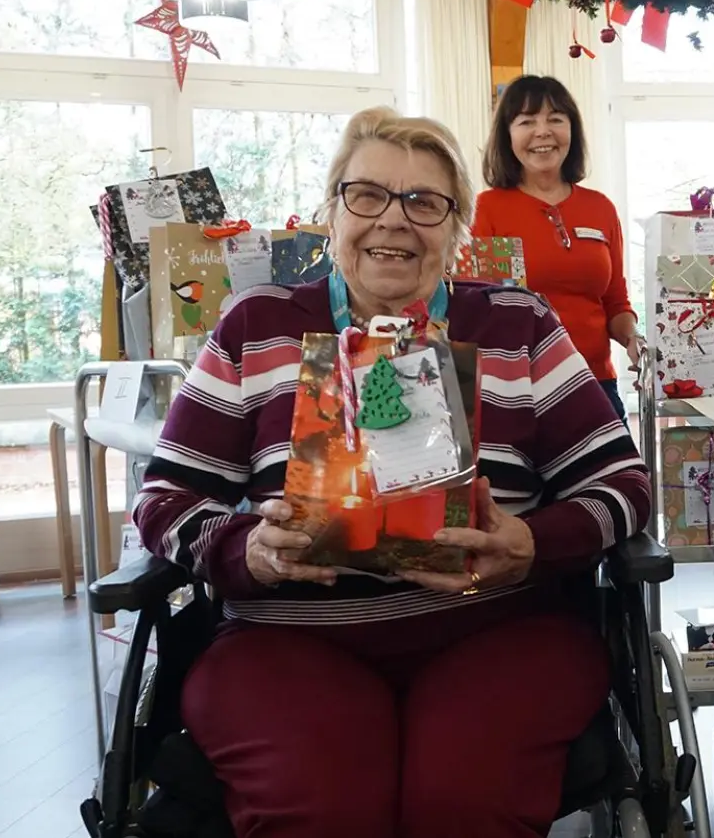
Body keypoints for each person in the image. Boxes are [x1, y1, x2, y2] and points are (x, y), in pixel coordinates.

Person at [132, 107, 652, 838]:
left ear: (458, 226)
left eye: (424, 202)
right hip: (289, 642)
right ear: (332, 210)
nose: (393, 222)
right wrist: (242, 548)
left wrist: (534, 543)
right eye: (367, 194)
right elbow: (165, 499)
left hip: (499, 631)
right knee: (324, 810)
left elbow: (622, 486)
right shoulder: (257, 326)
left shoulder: (517, 323)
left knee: (461, 806)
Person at [474, 76, 641, 419]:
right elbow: (482, 308)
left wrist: (634, 339)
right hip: (518, 392)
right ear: (507, 135)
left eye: (555, 119)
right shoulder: (486, 209)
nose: (542, 132)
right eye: (526, 122)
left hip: (597, 384)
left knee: (618, 475)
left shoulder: (600, 208)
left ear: (572, 130)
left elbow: (615, 302)